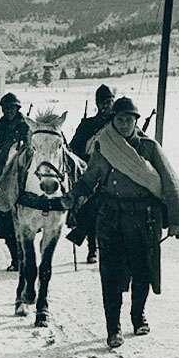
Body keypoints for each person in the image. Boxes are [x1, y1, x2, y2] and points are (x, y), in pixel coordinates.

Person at [63, 96, 179, 349]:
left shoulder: (149, 148)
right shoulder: (104, 147)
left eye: (128, 119)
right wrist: (74, 195)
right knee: (110, 274)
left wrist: (177, 219)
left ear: (135, 121)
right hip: (111, 218)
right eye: (119, 119)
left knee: (142, 271)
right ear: (113, 120)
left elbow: (170, 182)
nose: (123, 124)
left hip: (144, 219)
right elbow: (89, 179)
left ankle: (137, 316)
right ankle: (113, 328)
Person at [0, 92, 31, 271]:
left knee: (26, 222)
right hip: (3, 177)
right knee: (6, 224)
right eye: (6, 108)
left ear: (18, 108)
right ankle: (15, 259)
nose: (9, 111)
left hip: (23, 178)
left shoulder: (27, 126)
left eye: (12, 108)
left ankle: (26, 256)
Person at [68, 84, 116, 264]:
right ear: (97, 104)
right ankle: (92, 248)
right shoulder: (88, 125)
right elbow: (74, 149)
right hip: (92, 170)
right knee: (91, 210)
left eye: (110, 101)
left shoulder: (118, 123)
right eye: (103, 102)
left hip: (116, 171)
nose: (107, 106)